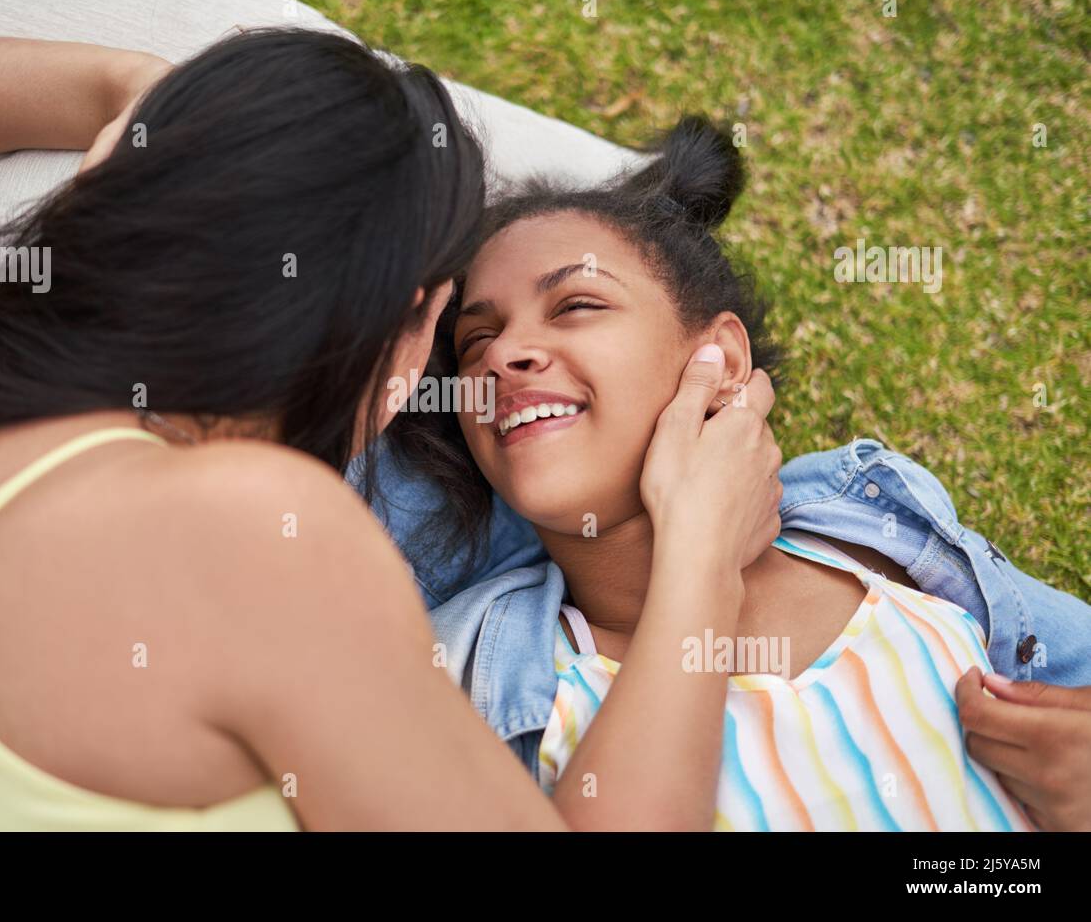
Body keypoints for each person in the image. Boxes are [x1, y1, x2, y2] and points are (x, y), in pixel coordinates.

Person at [0, 32, 781, 830]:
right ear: (402, 343)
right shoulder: (259, 533)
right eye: (456, 328)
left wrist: (144, 104)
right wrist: (699, 552)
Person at [395, 114, 1091, 829]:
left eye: (576, 304)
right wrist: (699, 558)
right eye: (477, 338)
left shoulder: (883, 532)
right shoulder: (466, 674)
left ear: (720, 362)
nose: (505, 353)